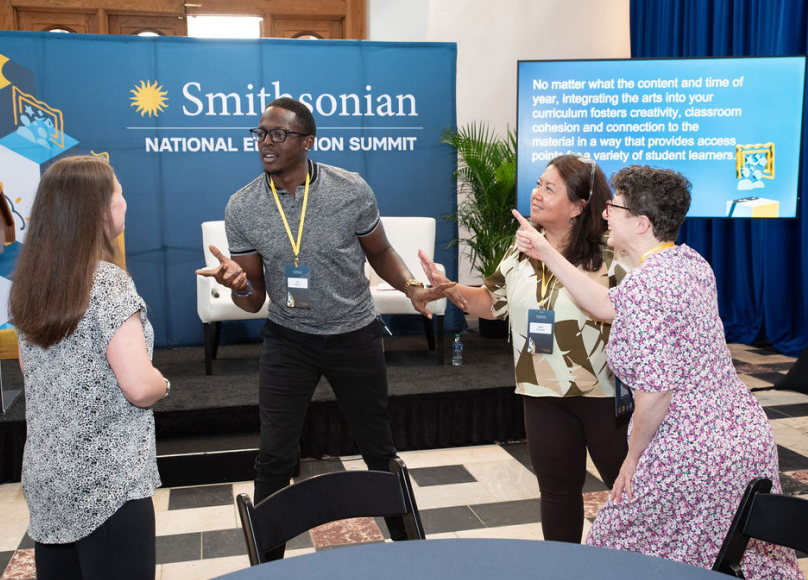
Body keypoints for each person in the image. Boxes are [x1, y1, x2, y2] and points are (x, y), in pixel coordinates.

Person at [512, 165, 802, 577]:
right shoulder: (688, 263)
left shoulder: (648, 285)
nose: (605, 213)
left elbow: (656, 393)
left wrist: (632, 459)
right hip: (741, 439)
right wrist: (548, 252)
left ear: (641, 223)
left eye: (614, 207)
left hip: (691, 451)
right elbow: (607, 305)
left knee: (614, 551)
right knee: (721, 556)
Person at [195, 97, 450, 557]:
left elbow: (380, 252)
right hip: (289, 339)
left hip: (355, 335)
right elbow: (253, 302)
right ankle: (266, 562)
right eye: (260, 133)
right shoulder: (243, 206)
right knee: (274, 455)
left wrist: (411, 287)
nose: (266, 143)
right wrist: (237, 284)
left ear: (307, 142)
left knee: (378, 448)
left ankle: (412, 553)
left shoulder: (350, 189)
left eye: (278, 134)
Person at [420, 154, 629, 543]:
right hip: (540, 389)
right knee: (556, 491)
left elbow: (627, 314)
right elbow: (490, 302)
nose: (536, 194)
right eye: (538, 184)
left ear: (579, 207)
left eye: (550, 188)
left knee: (628, 492)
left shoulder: (612, 253)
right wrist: (450, 288)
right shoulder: (522, 248)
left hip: (602, 391)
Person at [10, 156, 167, 580]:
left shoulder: (31, 283)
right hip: (109, 484)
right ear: (99, 210)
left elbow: (31, 374)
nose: (125, 201)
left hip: (47, 480)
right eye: (118, 192)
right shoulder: (108, 283)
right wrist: (163, 383)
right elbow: (138, 386)